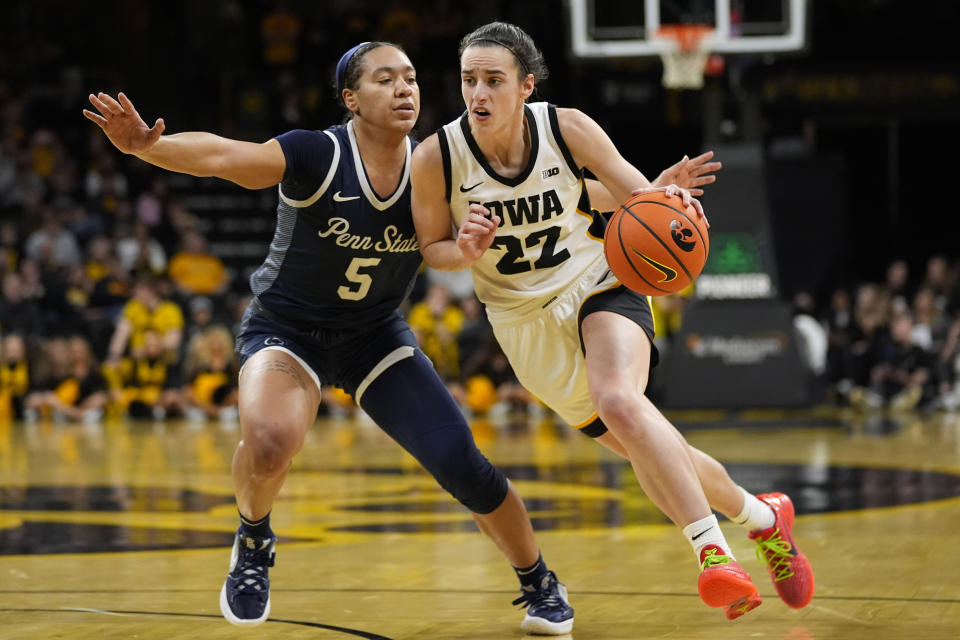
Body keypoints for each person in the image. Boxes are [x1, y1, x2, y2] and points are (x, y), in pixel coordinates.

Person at [85, 42, 586, 634]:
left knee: (462, 463)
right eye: (384, 79)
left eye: (411, 79)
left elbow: (561, 199)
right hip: (287, 328)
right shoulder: (316, 152)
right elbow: (224, 155)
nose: (404, 89)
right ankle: (253, 541)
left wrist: (646, 193)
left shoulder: (440, 164)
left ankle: (539, 582)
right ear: (351, 99)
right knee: (270, 442)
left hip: (374, 334)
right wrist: (151, 146)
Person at [410, 21, 815, 621]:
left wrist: (662, 194)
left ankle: (713, 555)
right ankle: (764, 517)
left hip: (599, 280)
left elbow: (634, 198)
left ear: (525, 86)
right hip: (522, 322)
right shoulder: (436, 157)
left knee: (621, 401)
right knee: (643, 446)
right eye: (470, 79)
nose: (478, 93)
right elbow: (431, 247)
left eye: (493, 80)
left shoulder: (566, 127)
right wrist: (463, 250)